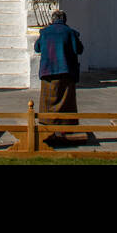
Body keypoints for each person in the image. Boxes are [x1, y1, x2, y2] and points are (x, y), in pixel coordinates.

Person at [34, 9, 84, 141]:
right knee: (66, 103)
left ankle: (48, 128)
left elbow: (37, 48)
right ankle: (64, 128)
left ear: (52, 19)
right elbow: (79, 50)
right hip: (66, 72)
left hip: (48, 72)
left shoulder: (44, 32)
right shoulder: (70, 32)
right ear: (64, 20)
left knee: (48, 103)